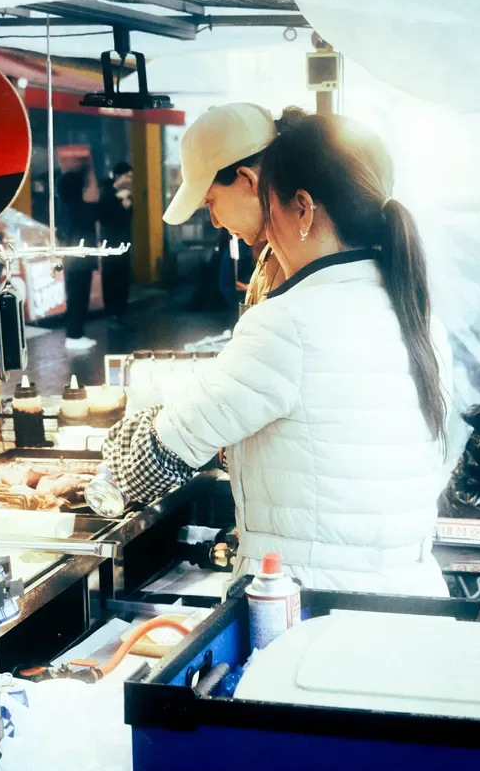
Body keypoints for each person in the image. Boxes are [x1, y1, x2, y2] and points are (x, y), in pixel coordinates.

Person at [105, 111, 450, 596]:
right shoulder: (420, 316)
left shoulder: (288, 322)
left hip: (314, 613)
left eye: (269, 198)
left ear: (303, 209)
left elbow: (146, 463)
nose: (222, 220)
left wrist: (125, 439)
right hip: (411, 600)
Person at [163, 102, 300, 308]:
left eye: (210, 201)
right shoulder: (276, 253)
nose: (215, 222)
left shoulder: (306, 265)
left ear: (248, 180)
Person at [57, 163, 99, 354]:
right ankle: (74, 335)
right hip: (80, 260)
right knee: (78, 298)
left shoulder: (63, 208)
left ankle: (76, 334)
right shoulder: (81, 209)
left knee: (75, 297)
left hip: (72, 260)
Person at [98, 161, 133, 324]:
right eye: (128, 176)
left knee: (123, 276)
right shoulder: (106, 190)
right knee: (111, 276)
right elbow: (103, 214)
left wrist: (126, 205)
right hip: (109, 241)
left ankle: (121, 311)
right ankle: (112, 312)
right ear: (119, 176)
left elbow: (128, 217)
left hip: (124, 240)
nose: (130, 179)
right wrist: (116, 198)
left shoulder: (127, 192)